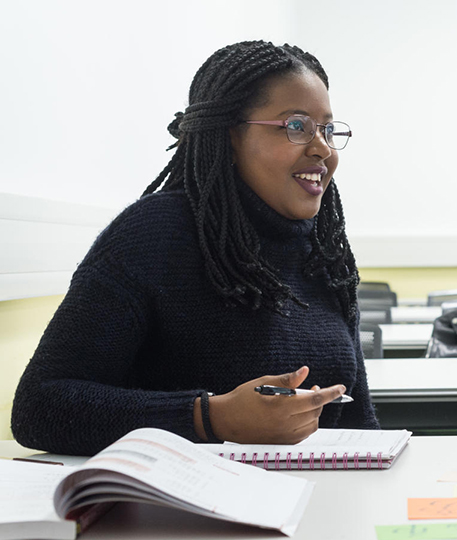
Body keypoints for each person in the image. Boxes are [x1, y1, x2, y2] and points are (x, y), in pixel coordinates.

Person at [12, 41, 378, 455]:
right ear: (229, 134)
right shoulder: (151, 237)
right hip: (176, 511)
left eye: (328, 129)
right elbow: (39, 408)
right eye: (297, 126)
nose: (322, 149)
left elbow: (359, 423)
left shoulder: (325, 253)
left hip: (321, 504)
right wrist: (210, 417)